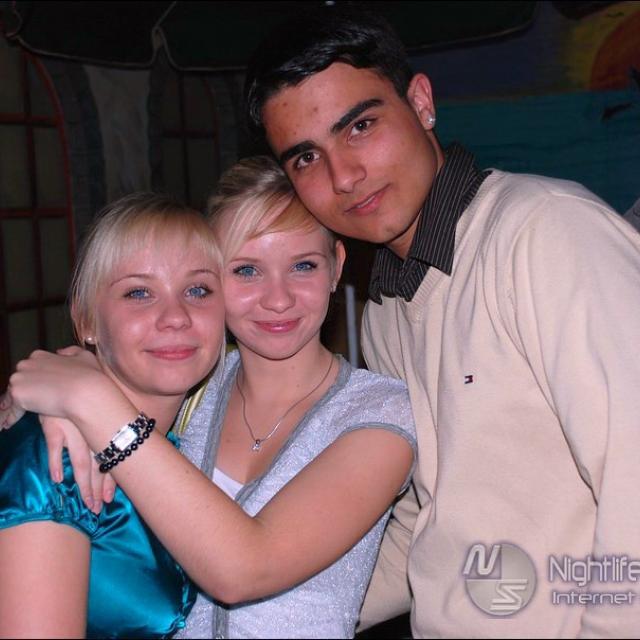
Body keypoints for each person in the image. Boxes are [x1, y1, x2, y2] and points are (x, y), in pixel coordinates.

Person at [243, 8, 640, 638]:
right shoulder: (386, 307)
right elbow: (429, 520)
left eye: (361, 125)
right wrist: (270, 617)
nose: (344, 177)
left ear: (422, 103)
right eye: (306, 158)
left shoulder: (545, 232)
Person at [7, 156, 417, 639]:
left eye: (303, 265)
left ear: (337, 268)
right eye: (246, 270)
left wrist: (87, 398)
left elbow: (245, 569)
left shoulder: (380, 413)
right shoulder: (191, 388)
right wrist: (55, 395)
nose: (278, 298)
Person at [0, 193, 225, 638]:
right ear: (86, 321)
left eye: (197, 290)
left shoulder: (189, 436)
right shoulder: (55, 461)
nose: (176, 316)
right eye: (139, 293)